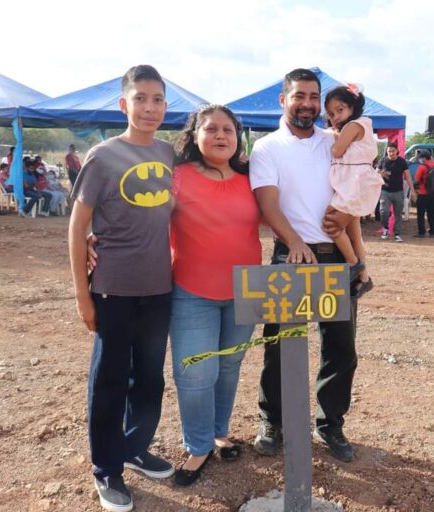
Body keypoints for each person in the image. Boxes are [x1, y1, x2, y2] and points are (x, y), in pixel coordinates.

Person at [68, 64, 175, 512]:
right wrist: (82, 294)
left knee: (149, 378)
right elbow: (77, 227)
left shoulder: (168, 153)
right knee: (110, 380)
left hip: (159, 288)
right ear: (123, 104)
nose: (149, 108)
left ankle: (134, 447)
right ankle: (106, 468)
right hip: (113, 289)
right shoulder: (103, 156)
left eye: (157, 99)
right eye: (140, 98)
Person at [250, 68, 360, 463]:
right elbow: (268, 204)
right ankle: (272, 421)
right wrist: (295, 242)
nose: (308, 104)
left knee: (341, 348)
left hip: (335, 256)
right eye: (300, 96)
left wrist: (356, 249)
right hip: (290, 257)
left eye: (314, 97)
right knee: (279, 345)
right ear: (283, 100)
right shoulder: (266, 148)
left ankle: (330, 424)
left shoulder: (335, 142)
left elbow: (353, 194)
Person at [167, 104, 261, 486]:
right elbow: (145, 218)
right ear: (195, 135)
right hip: (192, 292)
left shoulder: (253, 178)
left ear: (238, 137)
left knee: (228, 366)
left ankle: (219, 432)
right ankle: (198, 445)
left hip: (246, 291)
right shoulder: (176, 177)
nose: (221, 135)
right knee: (195, 373)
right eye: (211, 129)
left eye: (228, 129)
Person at [323, 84, 382, 295]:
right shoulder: (360, 126)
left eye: (340, 110)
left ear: (353, 107)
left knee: (331, 225)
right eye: (331, 114)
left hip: (354, 185)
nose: (335, 117)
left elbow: (336, 151)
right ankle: (364, 278)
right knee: (354, 233)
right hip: (353, 184)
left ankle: (352, 263)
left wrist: (332, 138)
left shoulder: (353, 125)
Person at [378, 143, 414, 242]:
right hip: (385, 191)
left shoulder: (402, 162)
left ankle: (397, 233)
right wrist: (381, 174)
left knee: (398, 213)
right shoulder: (383, 160)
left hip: (398, 191)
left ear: (397, 151)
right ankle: (385, 229)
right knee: (383, 211)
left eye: (393, 151)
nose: (391, 153)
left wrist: (412, 190)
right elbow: (376, 172)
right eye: (389, 151)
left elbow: (408, 176)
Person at [413, 150, 434, 238]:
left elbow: (417, 180)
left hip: (423, 193)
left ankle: (421, 232)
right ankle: (433, 232)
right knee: (433, 213)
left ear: (423, 158)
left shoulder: (422, 167)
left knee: (421, 214)